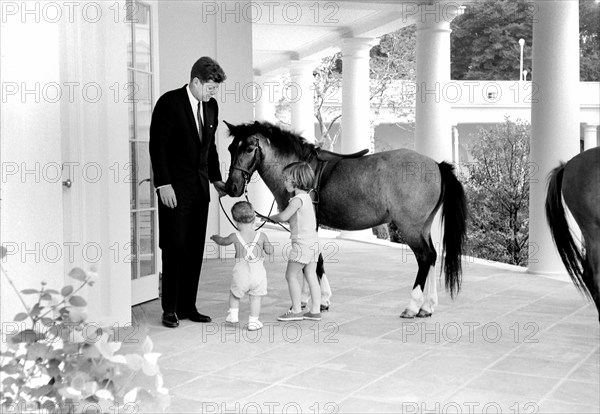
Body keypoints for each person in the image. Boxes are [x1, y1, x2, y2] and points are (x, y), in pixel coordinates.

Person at [149, 56, 228, 328]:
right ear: (195, 81)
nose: (212, 93)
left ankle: (187, 306)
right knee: (175, 247)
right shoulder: (169, 103)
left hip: (199, 190)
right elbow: (157, 147)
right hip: (173, 189)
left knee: (194, 248)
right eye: (209, 87)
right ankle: (169, 308)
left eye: (215, 89)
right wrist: (163, 184)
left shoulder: (212, 107)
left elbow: (210, 147)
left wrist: (216, 179)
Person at [268, 162, 322, 321]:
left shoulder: (297, 199)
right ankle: (315, 310)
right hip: (314, 243)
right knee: (311, 275)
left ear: (297, 180)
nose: (284, 182)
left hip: (302, 245)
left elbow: (284, 217)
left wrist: (272, 218)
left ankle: (296, 310)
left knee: (290, 275)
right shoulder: (307, 198)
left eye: (286, 179)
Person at [210, 201, 273, 331]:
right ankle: (253, 322)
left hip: (241, 273)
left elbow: (223, 242)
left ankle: (233, 315)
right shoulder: (262, 236)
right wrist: (269, 246)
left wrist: (216, 238)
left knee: (234, 294)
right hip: (258, 274)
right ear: (254, 218)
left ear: (235, 221)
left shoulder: (234, 236)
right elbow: (270, 250)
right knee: (256, 298)